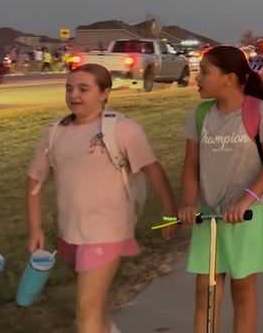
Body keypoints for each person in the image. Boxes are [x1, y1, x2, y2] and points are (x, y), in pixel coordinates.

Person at [27, 63, 179, 332]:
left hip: (108, 229)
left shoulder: (121, 129)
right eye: (69, 89)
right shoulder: (55, 132)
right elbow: (35, 181)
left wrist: (170, 211)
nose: (74, 95)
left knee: (86, 306)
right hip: (72, 231)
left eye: (83, 89)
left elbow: (152, 169)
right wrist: (35, 227)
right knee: (96, 304)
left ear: (104, 93)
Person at [178, 46, 263, 332]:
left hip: (248, 214)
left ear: (229, 78)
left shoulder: (261, 111)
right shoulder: (201, 114)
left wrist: (245, 200)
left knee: (243, 287)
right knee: (206, 289)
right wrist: (188, 203)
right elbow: (190, 165)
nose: (197, 77)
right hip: (210, 215)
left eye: (204, 72)